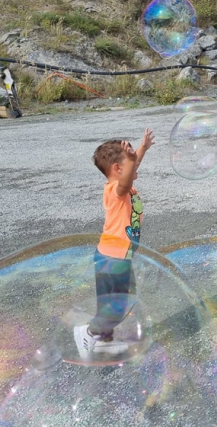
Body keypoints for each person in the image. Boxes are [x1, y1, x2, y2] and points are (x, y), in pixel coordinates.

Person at [74, 128, 155, 359]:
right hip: (114, 258)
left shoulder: (122, 181)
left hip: (111, 256)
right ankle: (89, 332)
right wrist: (131, 160)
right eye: (129, 163)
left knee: (110, 304)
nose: (135, 165)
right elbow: (127, 176)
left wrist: (142, 149)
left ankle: (103, 341)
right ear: (118, 169)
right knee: (122, 303)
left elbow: (131, 167)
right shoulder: (116, 190)